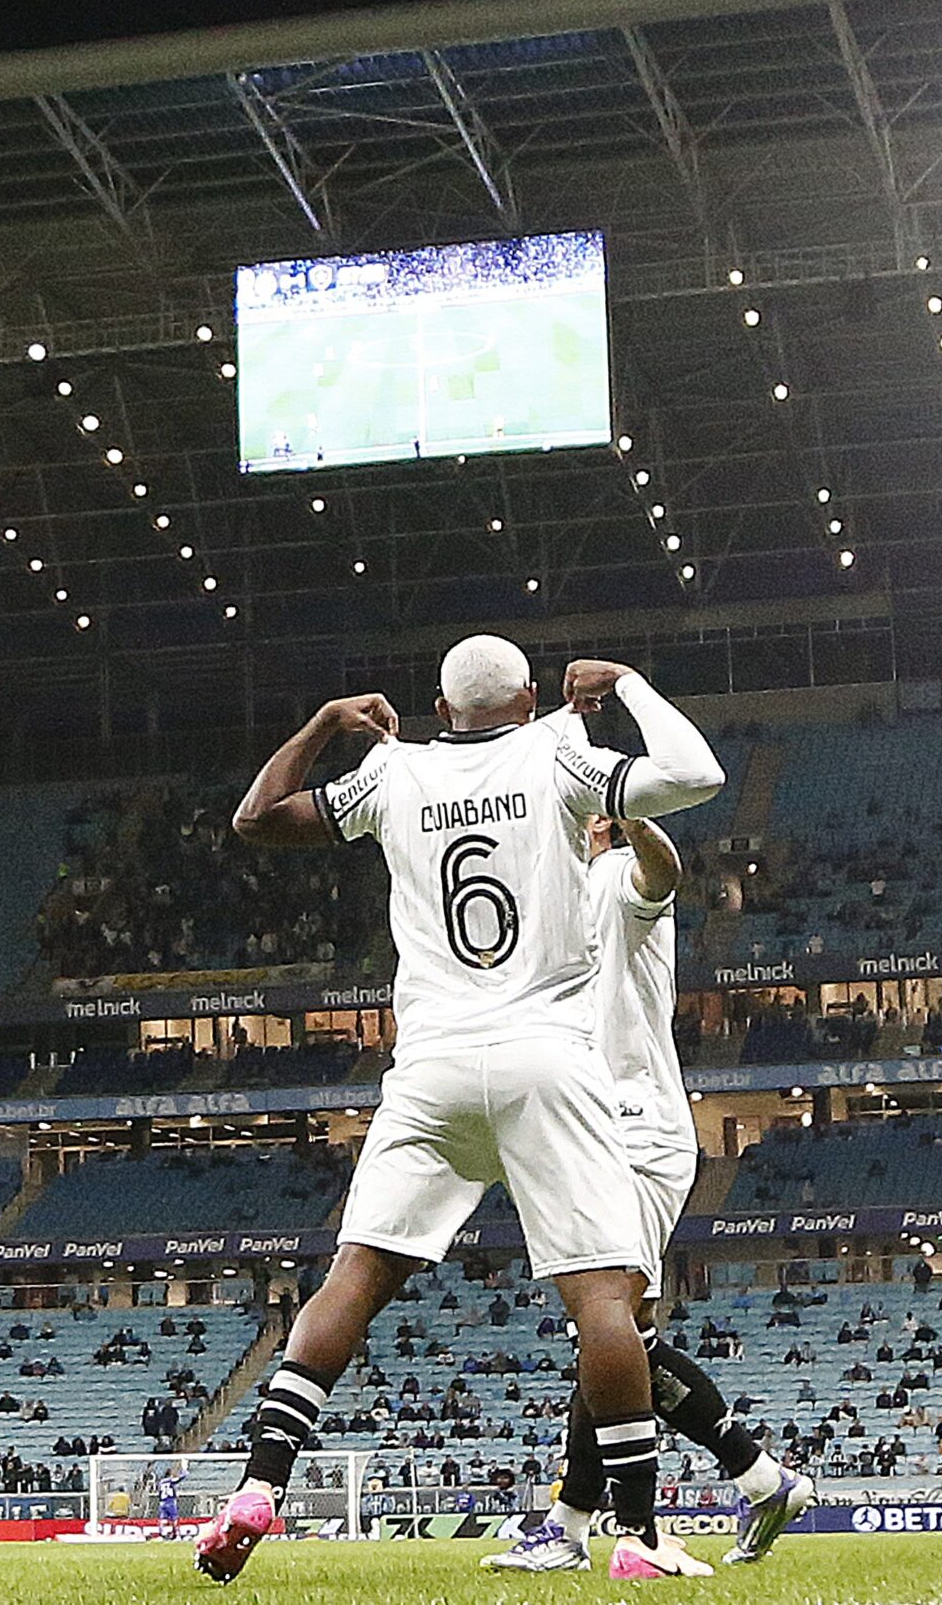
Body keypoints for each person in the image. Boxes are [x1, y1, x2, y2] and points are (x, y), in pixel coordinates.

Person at [199, 640, 724, 1585]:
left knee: (355, 1275)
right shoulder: (560, 749)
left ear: (439, 710)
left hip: (431, 1063)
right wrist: (628, 685)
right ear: (533, 695)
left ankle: (260, 1482)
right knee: (604, 1299)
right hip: (545, 1058)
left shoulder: (392, 771)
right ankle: (639, 1537)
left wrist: (326, 722)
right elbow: (696, 774)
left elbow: (258, 817)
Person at [488, 813, 811, 1576]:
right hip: (593, 1130)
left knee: (607, 1327)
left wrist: (635, 819)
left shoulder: (614, 879)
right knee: (616, 1335)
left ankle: (597, 1526)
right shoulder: (548, 901)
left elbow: (661, 874)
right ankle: (757, 1478)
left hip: (633, 1128)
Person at [157, 1461, 190, 1541]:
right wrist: (185, 1470)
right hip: (170, 1501)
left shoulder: (161, 1482)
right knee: (174, 1519)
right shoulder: (170, 1480)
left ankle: (162, 1535)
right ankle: (177, 1535)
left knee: (162, 1519)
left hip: (162, 1502)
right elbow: (181, 1478)